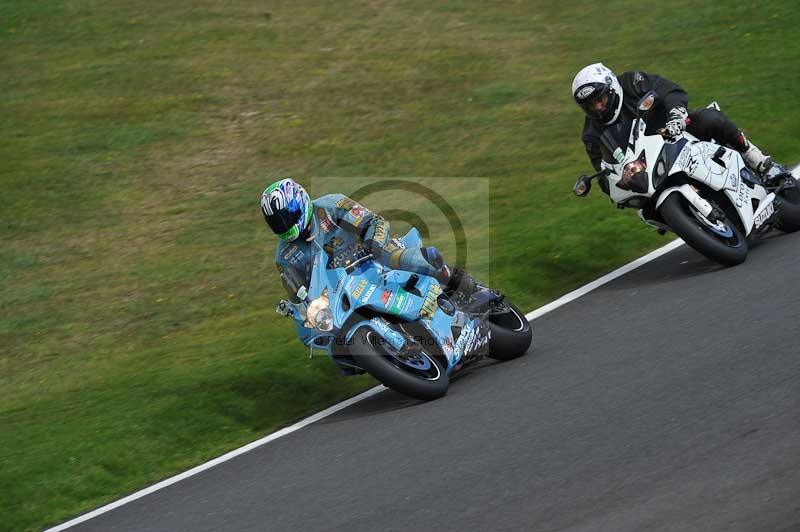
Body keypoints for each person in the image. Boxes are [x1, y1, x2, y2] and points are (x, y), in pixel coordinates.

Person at [571, 63, 779, 193]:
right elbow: (601, 169)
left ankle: (755, 158)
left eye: (600, 99)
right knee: (643, 206)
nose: (598, 107)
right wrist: (616, 182)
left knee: (710, 119)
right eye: (590, 104)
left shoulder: (631, 83)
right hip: (647, 168)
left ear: (611, 88)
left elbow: (670, 90)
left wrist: (676, 114)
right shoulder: (591, 133)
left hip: (675, 132)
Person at [261, 178, 474, 300]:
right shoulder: (285, 256)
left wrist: (373, 243)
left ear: (300, 200)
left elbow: (373, 221)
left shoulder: (330, 205)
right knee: (314, 330)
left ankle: (448, 275)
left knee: (393, 256)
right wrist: (303, 303)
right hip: (345, 288)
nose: (284, 224)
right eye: (277, 221)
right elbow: (299, 294)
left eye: (287, 216)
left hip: (372, 256)